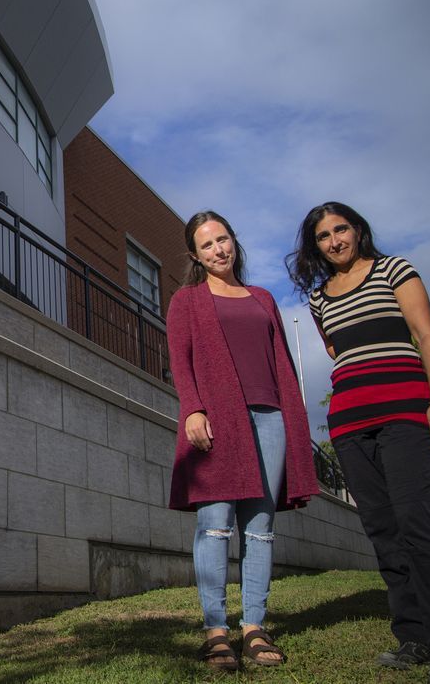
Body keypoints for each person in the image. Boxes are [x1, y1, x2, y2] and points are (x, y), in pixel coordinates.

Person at [287, 202, 430, 684]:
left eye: (341, 229)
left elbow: (425, 336)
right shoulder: (319, 298)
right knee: (383, 529)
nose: (334, 241)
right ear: (315, 247)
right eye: (323, 236)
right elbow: (338, 352)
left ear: (357, 230)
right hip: (349, 422)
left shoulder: (394, 269)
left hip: (406, 411)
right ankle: (412, 635)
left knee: (421, 521)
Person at [168, 211, 320, 672]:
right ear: (195, 254)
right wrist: (193, 408)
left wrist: (294, 417)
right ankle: (216, 631)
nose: (219, 249)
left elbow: (281, 362)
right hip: (217, 417)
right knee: (214, 524)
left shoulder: (262, 297)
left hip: (269, 416)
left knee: (260, 527)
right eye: (207, 244)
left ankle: (254, 625)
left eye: (223, 239)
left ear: (234, 241)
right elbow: (181, 359)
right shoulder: (187, 300)